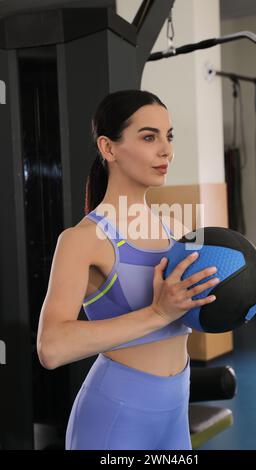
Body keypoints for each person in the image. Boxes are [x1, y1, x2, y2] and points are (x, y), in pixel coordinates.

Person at [36, 89, 219, 450]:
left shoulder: (177, 229)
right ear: (108, 148)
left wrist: (232, 293)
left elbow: (199, 310)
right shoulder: (82, 239)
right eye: (149, 137)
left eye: (168, 136)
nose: (165, 149)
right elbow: (51, 348)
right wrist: (157, 313)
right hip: (115, 416)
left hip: (175, 410)